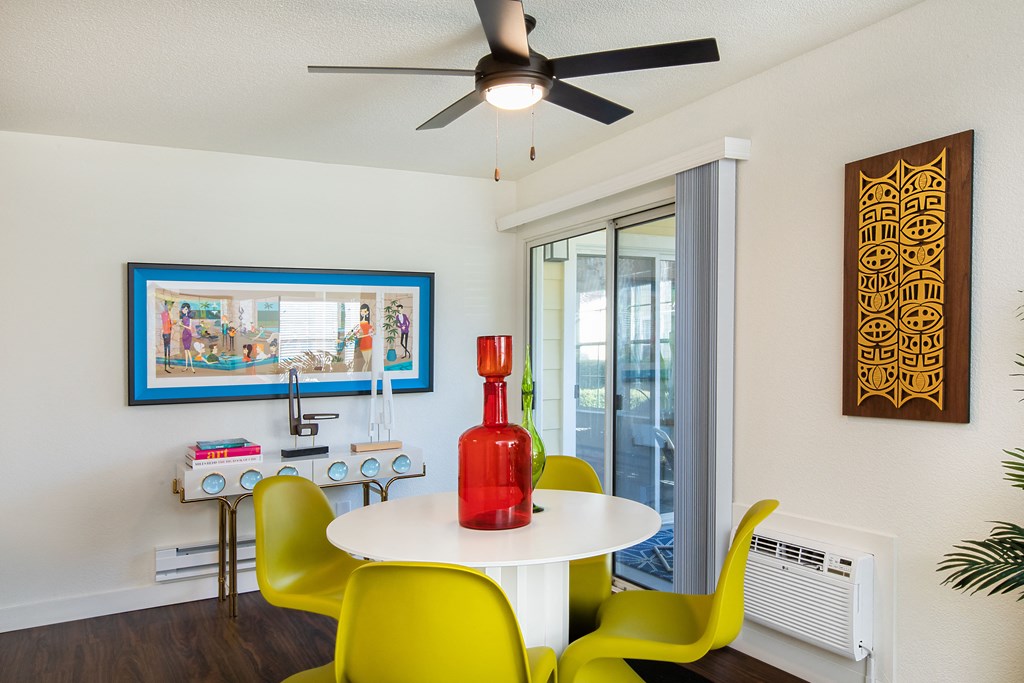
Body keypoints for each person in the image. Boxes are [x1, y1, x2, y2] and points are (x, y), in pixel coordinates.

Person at [179, 302, 195, 373]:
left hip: (188, 334)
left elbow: (189, 327)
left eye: (185, 309)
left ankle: (192, 367)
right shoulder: (183, 317)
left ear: (188, 309)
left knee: (188, 351)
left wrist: (182, 325)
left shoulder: (190, 318)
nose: (184, 310)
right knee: (185, 351)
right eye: (183, 309)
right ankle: (186, 367)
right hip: (184, 334)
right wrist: (180, 324)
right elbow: (182, 324)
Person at [160, 300, 173, 372]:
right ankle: (165, 367)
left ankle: (169, 365)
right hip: (166, 333)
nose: (170, 307)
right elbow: (165, 323)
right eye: (169, 306)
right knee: (166, 349)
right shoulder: (164, 314)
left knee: (169, 349)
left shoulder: (168, 314)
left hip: (169, 332)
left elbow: (169, 324)